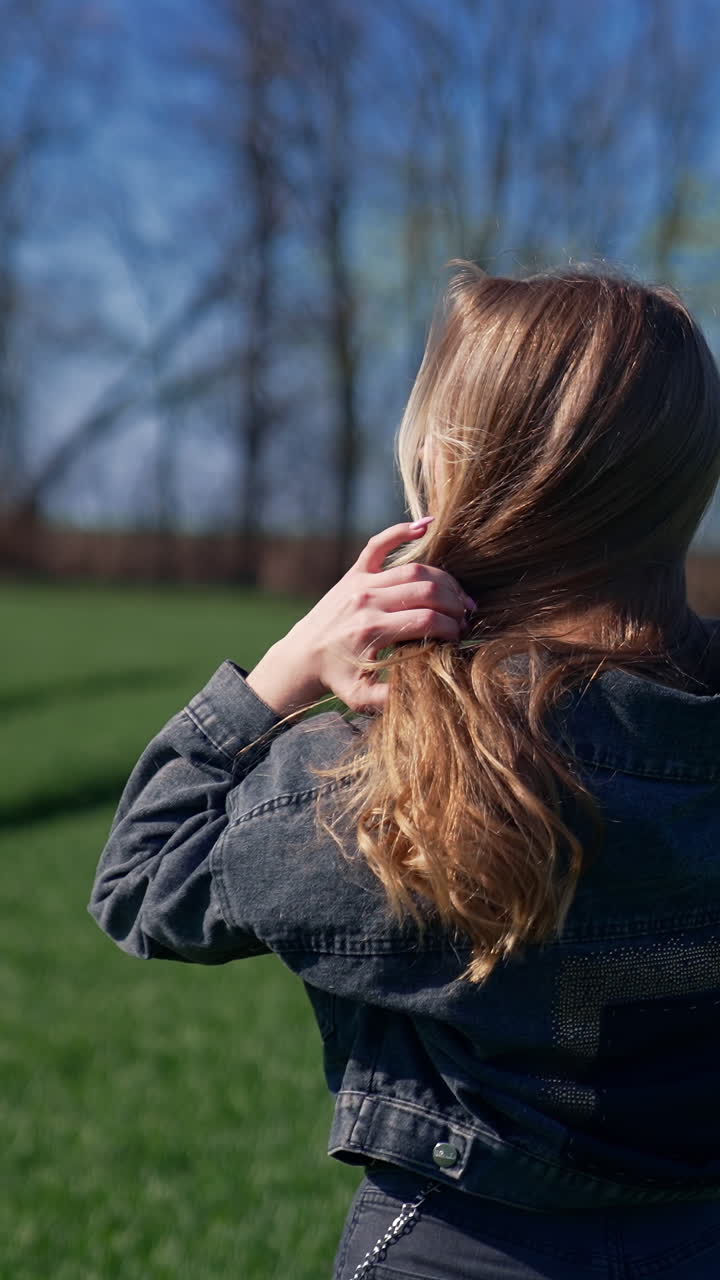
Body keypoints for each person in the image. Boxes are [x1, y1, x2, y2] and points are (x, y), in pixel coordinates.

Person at [89, 265, 720, 1279]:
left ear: (454, 474)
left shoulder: (403, 771)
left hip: (449, 1246)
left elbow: (138, 882)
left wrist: (287, 668)